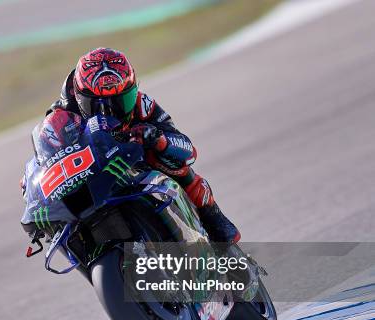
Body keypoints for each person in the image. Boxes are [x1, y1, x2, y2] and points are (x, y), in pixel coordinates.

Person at [30, 47, 240, 243]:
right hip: (91, 176)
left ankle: (213, 217)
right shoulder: (61, 116)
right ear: (79, 96)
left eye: (120, 100)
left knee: (172, 161)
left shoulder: (142, 105)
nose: (110, 112)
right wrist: (31, 188)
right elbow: (44, 159)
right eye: (98, 104)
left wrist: (158, 139)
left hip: (133, 162)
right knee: (59, 227)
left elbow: (188, 151)